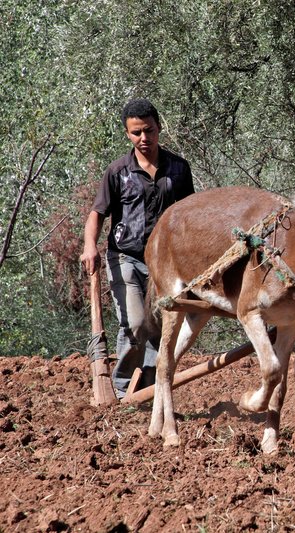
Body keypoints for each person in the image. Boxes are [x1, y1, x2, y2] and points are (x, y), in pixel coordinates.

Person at [81, 98, 195, 398]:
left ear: (159, 128)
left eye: (149, 130)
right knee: (134, 325)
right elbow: (97, 213)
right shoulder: (117, 171)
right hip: (125, 257)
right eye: (136, 133)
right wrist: (89, 245)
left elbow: (190, 213)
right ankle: (120, 391)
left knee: (160, 327)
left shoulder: (179, 169)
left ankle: (148, 389)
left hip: (165, 263)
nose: (144, 138)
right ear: (127, 134)